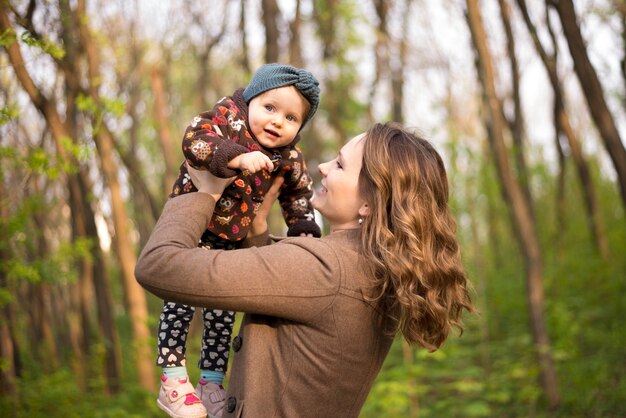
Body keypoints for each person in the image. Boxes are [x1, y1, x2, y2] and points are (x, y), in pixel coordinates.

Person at [136, 122, 475, 417]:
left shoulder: (326, 268)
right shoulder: (371, 268)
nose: (324, 167)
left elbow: (159, 265)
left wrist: (202, 193)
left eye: (341, 165)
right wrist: (256, 231)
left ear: (370, 203)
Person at [155, 63, 322, 418]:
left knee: (222, 313)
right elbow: (194, 141)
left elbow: (297, 193)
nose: (278, 122)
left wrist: (302, 224)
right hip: (192, 228)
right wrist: (236, 156)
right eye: (270, 108)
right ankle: (172, 378)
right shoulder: (227, 118)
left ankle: (211, 383)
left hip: (230, 240)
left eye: (292, 118)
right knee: (179, 303)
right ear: (249, 101)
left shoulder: (289, 156)